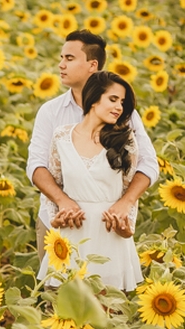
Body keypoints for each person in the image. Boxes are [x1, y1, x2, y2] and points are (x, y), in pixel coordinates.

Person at [26, 30, 158, 263]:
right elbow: (36, 165)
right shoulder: (51, 112)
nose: (61, 65)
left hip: (108, 227)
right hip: (59, 223)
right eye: (61, 58)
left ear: (92, 65)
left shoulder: (122, 114)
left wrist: (125, 204)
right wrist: (62, 201)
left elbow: (148, 164)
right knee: (58, 286)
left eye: (69, 58)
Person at [36, 71, 144, 291]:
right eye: (113, 99)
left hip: (110, 236)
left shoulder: (125, 140)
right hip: (71, 235)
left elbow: (128, 191)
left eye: (122, 102)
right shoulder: (61, 137)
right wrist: (55, 218)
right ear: (94, 99)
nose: (119, 107)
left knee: (108, 306)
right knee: (64, 305)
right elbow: (55, 184)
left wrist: (128, 227)